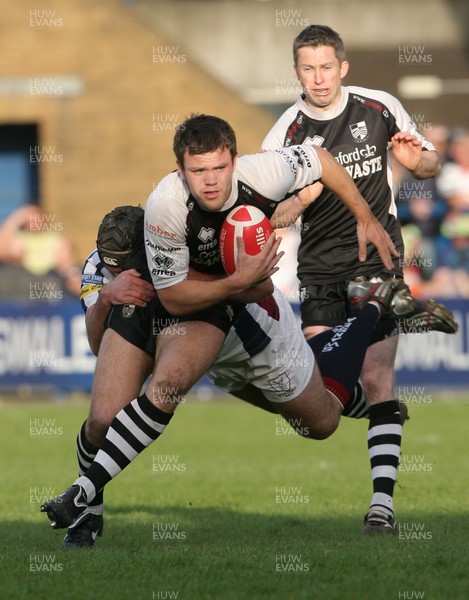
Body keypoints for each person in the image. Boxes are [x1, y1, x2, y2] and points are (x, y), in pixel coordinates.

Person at [41, 114, 418, 539]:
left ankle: (368, 311)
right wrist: (109, 297)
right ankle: (85, 505)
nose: (210, 181)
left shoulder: (263, 172)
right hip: (200, 303)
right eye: (198, 171)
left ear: (235, 161)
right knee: (108, 416)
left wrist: (365, 216)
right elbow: (158, 307)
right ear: (180, 171)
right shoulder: (161, 212)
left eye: (219, 168)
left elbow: (320, 158)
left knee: (320, 422)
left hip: (251, 313)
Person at [261, 25, 457, 534]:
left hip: (378, 260)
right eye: (308, 68)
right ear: (297, 72)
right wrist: (296, 201)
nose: (319, 78)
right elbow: (268, 215)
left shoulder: (379, 106)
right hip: (319, 272)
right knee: (323, 395)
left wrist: (422, 164)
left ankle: (382, 508)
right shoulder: (284, 133)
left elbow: (430, 160)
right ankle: (386, 411)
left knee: (375, 376)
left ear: (343, 67)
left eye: (327, 67)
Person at [65, 205, 157, 548]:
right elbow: (95, 345)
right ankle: (88, 514)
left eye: (121, 263)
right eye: (109, 262)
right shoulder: (96, 264)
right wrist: (105, 298)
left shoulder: (167, 247)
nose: (114, 269)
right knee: (101, 420)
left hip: (192, 325)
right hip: (135, 329)